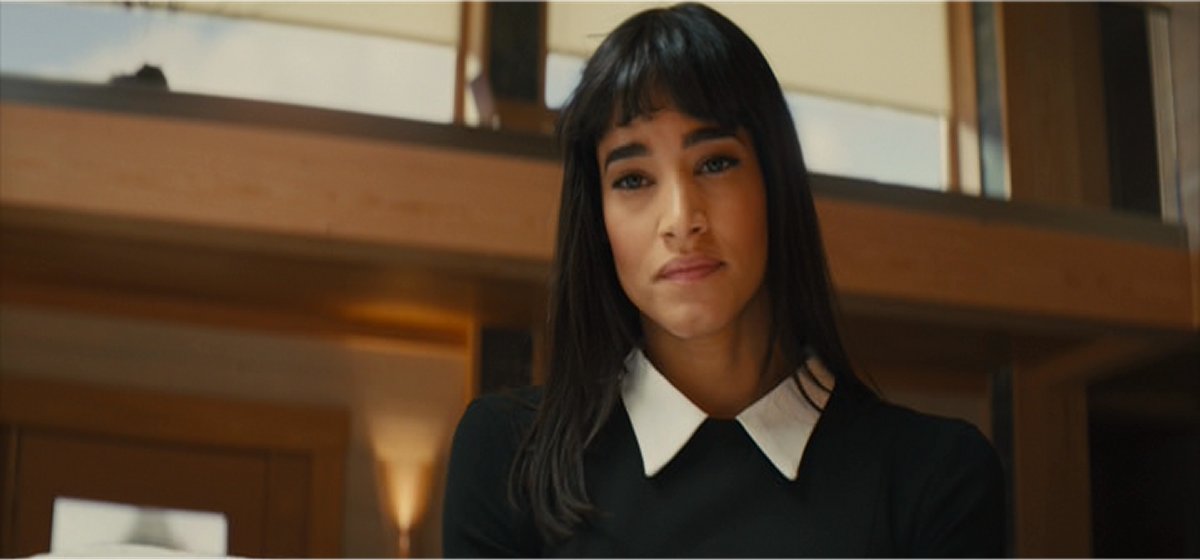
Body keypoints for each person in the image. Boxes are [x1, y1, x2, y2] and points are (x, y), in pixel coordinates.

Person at [443, 3, 1005, 557]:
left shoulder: (935, 477)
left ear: (775, 183)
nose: (681, 219)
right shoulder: (507, 458)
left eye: (715, 163)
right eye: (633, 178)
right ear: (598, 220)